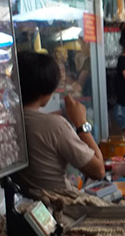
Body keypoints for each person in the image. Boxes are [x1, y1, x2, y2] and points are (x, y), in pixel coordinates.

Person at [15, 51, 105, 193]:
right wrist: (81, 124)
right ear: (46, 92)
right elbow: (98, 170)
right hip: (60, 206)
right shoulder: (54, 126)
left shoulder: (9, 126)